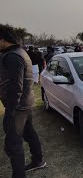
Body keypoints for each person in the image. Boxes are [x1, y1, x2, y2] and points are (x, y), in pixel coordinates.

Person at [0, 27, 46, 178]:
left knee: (13, 143)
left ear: (3, 40)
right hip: (25, 102)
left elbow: (16, 85)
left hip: (17, 105)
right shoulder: (19, 52)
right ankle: (38, 160)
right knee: (29, 133)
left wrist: (11, 110)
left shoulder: (12, 56)